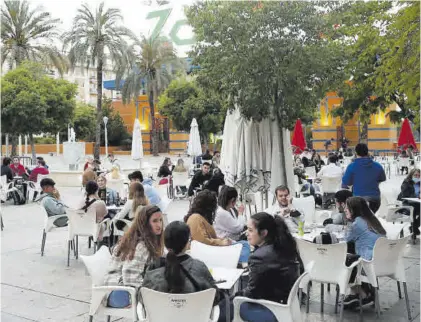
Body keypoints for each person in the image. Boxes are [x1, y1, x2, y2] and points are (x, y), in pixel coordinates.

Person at [219, 213, 302, 322]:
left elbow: (251, 293)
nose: (246, 234)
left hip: (269, 307)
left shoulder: (259, 257)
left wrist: (232, 297)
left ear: (263, 233)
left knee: (221, 308)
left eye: (250, 230)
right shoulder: (284, 246)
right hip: (284, 303)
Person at [142, 221, 220, 305]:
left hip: (159, 317)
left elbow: (142, 299)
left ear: (165, 243)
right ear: (187, 243)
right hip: (196, 317)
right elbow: (214, 296)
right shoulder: (199, 267)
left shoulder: (153, 269)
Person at [104, 205, 164, 308]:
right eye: (154, 221)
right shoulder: (141, 246)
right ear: (145, 224)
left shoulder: (145, 240)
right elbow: (130, 277)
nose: (159, 225)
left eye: (161, 220)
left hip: (119, 288)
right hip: (119, 293)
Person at [343, 197, 386, 308]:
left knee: (346, 257)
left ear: (354, 209)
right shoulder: (372, 220)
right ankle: (363, 292)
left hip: (368, 263)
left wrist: (348, 223)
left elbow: (345, 239)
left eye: (347, 208)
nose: (345, 210)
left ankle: (360, 293)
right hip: (383, 260)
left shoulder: (357, 223)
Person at [342, 143, 386, 213]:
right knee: (369, 217)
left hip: (358, 200)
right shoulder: (378, 166)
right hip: (375, 200)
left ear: (356, 153)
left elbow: (346, 182)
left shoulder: (352, 166)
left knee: (359, 217)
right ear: (367, 152)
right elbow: (382, 179)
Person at [398, 168, 420, 235]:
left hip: (418, 203)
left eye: (419, 175)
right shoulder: (406, 182)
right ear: (411, 175)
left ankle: (414, 227)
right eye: (415, 175)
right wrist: (417, 197)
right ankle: (414, 229)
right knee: (413, 210)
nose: (417, 177)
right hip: (407, 203)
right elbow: (405, 195)